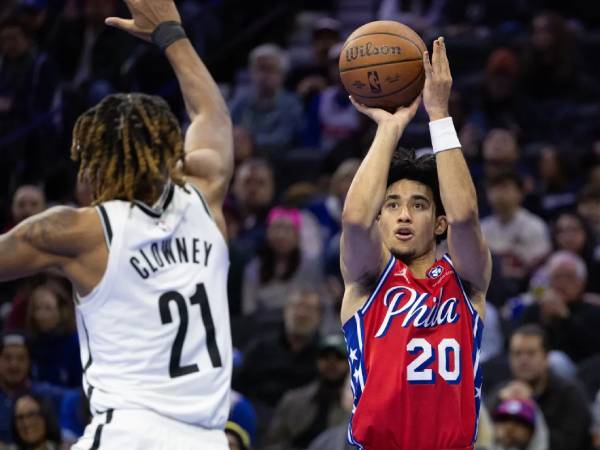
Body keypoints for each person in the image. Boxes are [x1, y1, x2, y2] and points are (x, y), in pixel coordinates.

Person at [0, 0, 234, 448]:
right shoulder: (205, 193)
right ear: (168, 147)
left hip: (129, 434)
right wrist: (171, 33)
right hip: (206, 438)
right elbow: (212, 117)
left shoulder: (79, 232)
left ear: (93, 165)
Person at [340, 38, 491, 449]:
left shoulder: (466, 282)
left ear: (438, 222)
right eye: (392, 204)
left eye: (418, 205)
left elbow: (465, 216)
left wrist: (438, 113)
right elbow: (354, 220)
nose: (404, 214)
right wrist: (389, 128)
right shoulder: (368, 280)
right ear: (381, 218)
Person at [506, 325, 591, 450]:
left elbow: (567, 444)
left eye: (531, 353)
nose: (523, 360)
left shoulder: (569, 394)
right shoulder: (503, 394)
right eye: (517, 354)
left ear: (546, 357)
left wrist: (529, 406)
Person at [265, 334, 349, 449]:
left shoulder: (355, 406)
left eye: (339, 357)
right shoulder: (293, 400)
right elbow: (273, 442)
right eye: (325, 357)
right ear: (317, 361)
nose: (331, 363)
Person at [520, 251, 600, 363]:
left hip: (581, 370)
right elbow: (520, 342)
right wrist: (545, 321)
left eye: (568, 277)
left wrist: (566, 318)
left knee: (555, 360)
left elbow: (592, 350)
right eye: (557, 277)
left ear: (581, 283)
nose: (561, 283)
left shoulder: (593, 311)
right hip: (535, 367)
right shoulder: (535, 309)